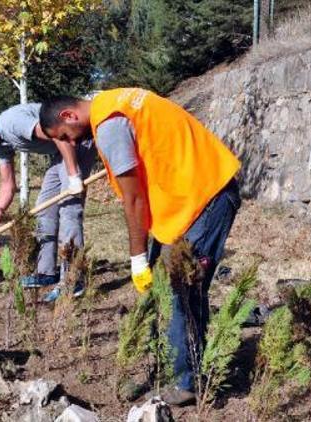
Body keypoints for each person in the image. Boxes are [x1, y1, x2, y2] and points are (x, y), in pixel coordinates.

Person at [39, 88, 241, 405]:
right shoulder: (114, 101)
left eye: (67, 135)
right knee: (165, 289)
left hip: (205, 197)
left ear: (69, 115)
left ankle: (188, 383)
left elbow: (134, 199)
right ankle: (171, 361)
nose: (73, 143)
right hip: (185, 197)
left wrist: (136, 258)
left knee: (182, 291)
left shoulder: (109, 126)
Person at [0, 104, 97, 302]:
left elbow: (60, 135)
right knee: (46, 208)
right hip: (61, 152)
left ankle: (74, 279)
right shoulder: (1, 144)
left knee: (68, 209)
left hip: (77, 142)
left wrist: (74, 176)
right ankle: (46, 272)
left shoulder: (12, 123)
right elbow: (7, 185)